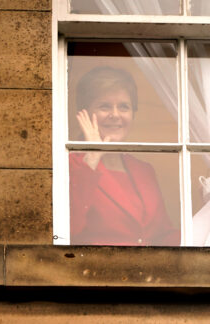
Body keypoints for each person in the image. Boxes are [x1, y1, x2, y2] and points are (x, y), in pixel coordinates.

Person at [69, 66, 180, 246]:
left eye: (124, 107)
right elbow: (67, 229)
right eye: (105, 106)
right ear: (85, 114)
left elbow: (164, 235)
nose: (115, 115)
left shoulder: (144, 170)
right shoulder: (70, 163)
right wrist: (92, 157)